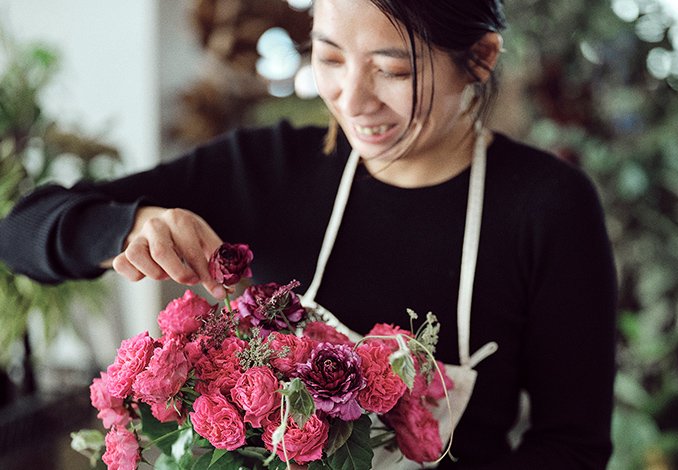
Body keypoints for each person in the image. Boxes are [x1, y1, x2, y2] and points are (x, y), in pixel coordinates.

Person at [0, 0, 617, 468]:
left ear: (480, 57)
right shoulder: (267, 167)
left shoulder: (548, 207)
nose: (352, 100)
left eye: (392, 69)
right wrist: (130, 223)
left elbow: (571, 443)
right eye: (328, 58)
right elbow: (21, 230)